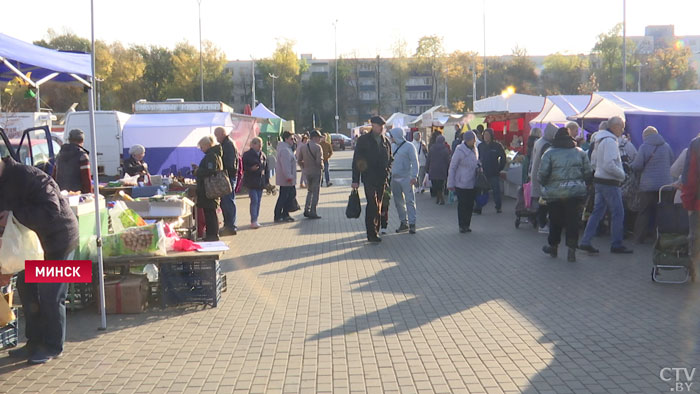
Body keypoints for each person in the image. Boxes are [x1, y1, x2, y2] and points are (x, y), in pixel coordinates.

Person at [0, 155, 79, 364]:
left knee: (50, 296)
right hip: (30, 247)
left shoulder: (28, 175)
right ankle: (34, 342)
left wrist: (14, 215)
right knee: (28, 292)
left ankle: (53, 346)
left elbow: (51, 208)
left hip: (58, 241)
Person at [579, 116, 633, 254]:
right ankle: (616, 244)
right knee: (618, 213)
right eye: (621, 127)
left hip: (599, 180)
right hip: (609, 182)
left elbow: (594, 161)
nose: (623, 130)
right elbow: (609, 164)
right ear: (615, 126)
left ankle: (585, 241)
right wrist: (622, 174)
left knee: (597, 212)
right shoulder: (610, 141)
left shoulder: (599, 140)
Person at [538, 127, 593, 262]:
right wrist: (585, 183)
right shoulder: (580, 152)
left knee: (555, 220)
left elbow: (542, 174)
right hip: (575, 192)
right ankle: (571, 250)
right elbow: (588, 172)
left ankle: (554, 246)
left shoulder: (549, 153)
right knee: (572, 220)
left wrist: (544, 184)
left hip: (555, 193)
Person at [630, 126, 674, 244]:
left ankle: (639, 238)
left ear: (645, 136)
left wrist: (631, 165)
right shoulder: (666, 146)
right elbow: (671, 161)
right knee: (662, 212)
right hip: (665, 185)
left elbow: (637, 165)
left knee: (644, 212)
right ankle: (660, 238)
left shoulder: (644, 147)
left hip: (647, 186)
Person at [351, 116, 392, 243]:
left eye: (383, 126)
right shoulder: (364, 140)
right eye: (380, 126)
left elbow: (391, 158)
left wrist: (388, 171)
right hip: (369, 177)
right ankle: (371, 233)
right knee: (372, 204)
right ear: (373, 125)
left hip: (382, 178)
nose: (382, 128)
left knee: (379, 206)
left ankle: (376, 230)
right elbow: (357, 160)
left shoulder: (385, 141)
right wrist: (355, 180)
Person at [447, 131, 480, 233]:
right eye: (472, 140)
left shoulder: (475, 149)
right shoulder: (459, 151)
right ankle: (462, 225)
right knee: (462, 204)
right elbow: (452, 167)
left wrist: (479, 166)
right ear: (467, 140)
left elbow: (476, 161)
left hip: (472, 181)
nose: (474, 142)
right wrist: (450, 183)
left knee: (470, 204)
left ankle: (467, 224)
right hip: (461, 182)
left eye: (474, 140)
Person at [389, 127, 419, 234]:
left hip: (407, 178)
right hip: (394, 178)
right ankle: (403, 222)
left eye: (392, 136)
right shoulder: (392, 146)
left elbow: (415, 161)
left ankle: (412, 224)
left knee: (409, 201)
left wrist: (414, 176)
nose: (391, 138)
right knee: (398, 202)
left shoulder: (409, 146)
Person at [529, 123, 558, 230]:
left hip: (535, 173)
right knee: (544, 202)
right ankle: (542, 223)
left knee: (539, 200)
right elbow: (546, 163)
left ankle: (535, 219)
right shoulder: (546, 145)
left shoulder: (538, 142)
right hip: (542, 176)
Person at [195, 135, 223, 241]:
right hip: (211, 188)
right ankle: (212, 233)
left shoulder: (211, 156)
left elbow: (211, 171)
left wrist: (198, 171)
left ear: (207, 145)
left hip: (209, 188)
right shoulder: (215, 154)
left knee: (210, 212)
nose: (201, 149)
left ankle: (212, 234)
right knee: (210, 212)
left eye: (202, 147)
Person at [214, 127, 239, 236]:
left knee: (228, 201)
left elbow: (230, 164)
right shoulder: (228, 143)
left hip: (228, 177)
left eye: (216, 136)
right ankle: (229, 225)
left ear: (221, 134)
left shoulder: (228, 145)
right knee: (227, 201)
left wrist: (220, 170)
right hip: (229, 176)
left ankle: (230, 226)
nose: (216, 138)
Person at [475, 128, 507, 213]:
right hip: (483, 172)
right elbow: (477, 158)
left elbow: (503, 157)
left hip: (494, 172)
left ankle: (498, 207)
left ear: (491, 136)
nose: (486, 137)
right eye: (485, 135)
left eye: (488, 135)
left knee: (496, 190)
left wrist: (500, 168)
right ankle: (479, 207)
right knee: (481, 190)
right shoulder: (480, 146)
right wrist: (478, 167)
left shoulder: (497, 146)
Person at [53, 128, 92, 194]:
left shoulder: (59, 155)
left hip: (61, 193)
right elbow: (86, 180)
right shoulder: (82, 156)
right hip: (77, 194)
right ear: (82, 140)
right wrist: (88, 195)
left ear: (69, 140)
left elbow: (54, 175)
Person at [242, 137, 269, 229]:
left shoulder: (263, 155)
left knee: (258, 201)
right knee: (254, 200)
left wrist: (267, 182)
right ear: (252, 145)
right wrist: (250, 169)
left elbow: (266, 169)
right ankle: (253, 220)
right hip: (251, 181)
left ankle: (256, 219)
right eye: (258, 145)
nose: (260, 147)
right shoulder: (247, 155)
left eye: (261, 145)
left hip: (260, 182)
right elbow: (243, 168)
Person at [298, 130, 324, 219]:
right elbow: (319, 161)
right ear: (315, 138)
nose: (320, 139)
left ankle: (306, 209)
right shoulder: (318, 147)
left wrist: (304, 167)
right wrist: (322, 167)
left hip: (307, 172)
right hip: (316, 172)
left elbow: (299, 160)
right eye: (319, 138)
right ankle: (313, 211)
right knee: (315, 192)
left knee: (309, 191)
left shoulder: (303, 147)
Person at [274, 131, 298, 222]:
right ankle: (279, 215)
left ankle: (284, 214)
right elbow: (286, 165)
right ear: (286, 139)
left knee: (287, 196)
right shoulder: (285, 150)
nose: (293, 141)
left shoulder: (287, 148)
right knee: (284, 197)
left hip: (287, 178)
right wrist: (289, 176)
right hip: (287, 179)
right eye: (291, 139)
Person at [426, 135, 451, 205]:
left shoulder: (432, 148)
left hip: (433, 169)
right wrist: (449, 169)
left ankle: (439, 198)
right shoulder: (445, 149)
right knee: (441, 184)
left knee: (435, 185)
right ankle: (441, 198)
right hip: (442, 169)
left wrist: (427, 168)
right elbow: (447, 160)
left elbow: (428, 159)